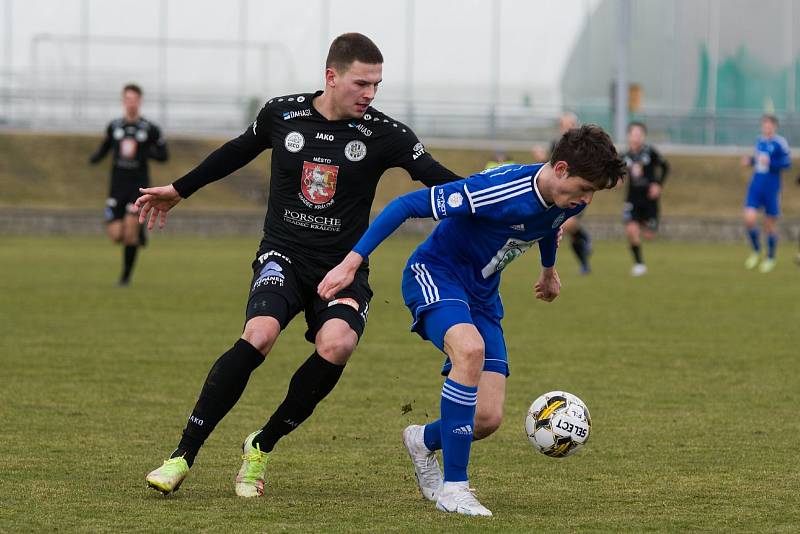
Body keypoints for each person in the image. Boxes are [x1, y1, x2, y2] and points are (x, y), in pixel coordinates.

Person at [137, 33, 460, 497]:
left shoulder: (386, 134)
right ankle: (181, 455)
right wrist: (179, 189)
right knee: (260, 333)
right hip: (283, 256)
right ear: (331, 77)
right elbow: (235, 151)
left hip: (343, 267)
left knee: (338, 344)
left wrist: (506, 200)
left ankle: (261, 445)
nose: (370, 94)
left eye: (377, 85)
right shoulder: (281, 113)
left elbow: (439, 179)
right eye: (361, 83)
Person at [318, 124, 626, 516]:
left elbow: (549, 225)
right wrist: (352, 262)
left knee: (486, 418)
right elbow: (405, 206)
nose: (585, 200)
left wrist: (548, 271)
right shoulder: (499, 190)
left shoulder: (570, 199)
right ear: (561, 168)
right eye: (584, 189)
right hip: (435, 273)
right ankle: (455, 488)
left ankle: (421, 440)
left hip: (481, 296)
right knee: (469, 349)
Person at [89, 83, 168, 286]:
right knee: (117, 235)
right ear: (123, 101)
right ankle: (139, 235)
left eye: (134, 99)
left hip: (138, 187)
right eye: (128, 99)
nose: (131, 103)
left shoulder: (149, 129)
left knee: (130, 232)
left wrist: (144, 152)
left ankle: (125, 277)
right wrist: (93, 158)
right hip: (117, 187)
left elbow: (163, 155)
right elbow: (105, 148)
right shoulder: (114, 126)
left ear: (139, 102)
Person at [533, 112, 592, 274]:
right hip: (561, 192)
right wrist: (540, 159)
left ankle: (582, 239)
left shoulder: (584, 146)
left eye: (570, 125)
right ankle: (584, 260)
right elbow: (549, 170)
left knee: (565, 224)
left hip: (578, 191)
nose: (567, 129)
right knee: (568, 229)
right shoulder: (556, 145)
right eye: (564, 126)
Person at [741, 114, 791, 273]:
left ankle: (770, 257)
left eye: (769, 125)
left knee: (769, 225)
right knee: (749, 219)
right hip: (756, 185)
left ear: (774, 127)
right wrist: (750, 161)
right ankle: (756, 251)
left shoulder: (780, 143)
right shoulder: (760, 141)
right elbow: (758, 161)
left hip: (772, 188)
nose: (766, 127)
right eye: (764, 125)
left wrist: (771, 162)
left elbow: (786, 163)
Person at [621, 121, 669, 276]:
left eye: (639, 134)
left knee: (649, 235)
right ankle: (639, 264)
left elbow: (666, 167)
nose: (636, 137)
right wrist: (617, 180)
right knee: (631, 229)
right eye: (633, 134)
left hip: (649, 200)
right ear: (628, 136)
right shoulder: (625, 156)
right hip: (632, 199)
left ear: (644, 136)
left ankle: (644, 225)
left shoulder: (650, 152)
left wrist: (658, 184)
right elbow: (618, 173)